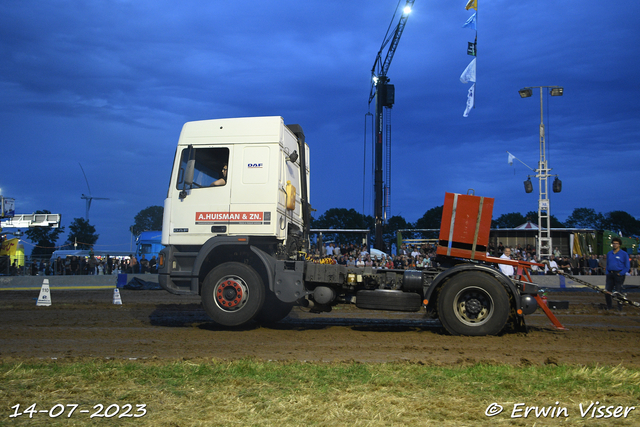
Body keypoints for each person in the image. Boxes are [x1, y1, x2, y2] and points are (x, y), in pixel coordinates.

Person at [605, 237, 630, 311]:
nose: (615, 245)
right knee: (607, 291)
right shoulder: (609, 253)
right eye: (614, 243)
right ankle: (609, 307)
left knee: (618, 292)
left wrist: (621, 273)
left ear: (619, 245)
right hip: (610, 274)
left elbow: (627, 266)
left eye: (616, 243)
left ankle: (619, 308)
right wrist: (607, 273)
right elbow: (607, 264)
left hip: (619, 275)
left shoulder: (624, 254)